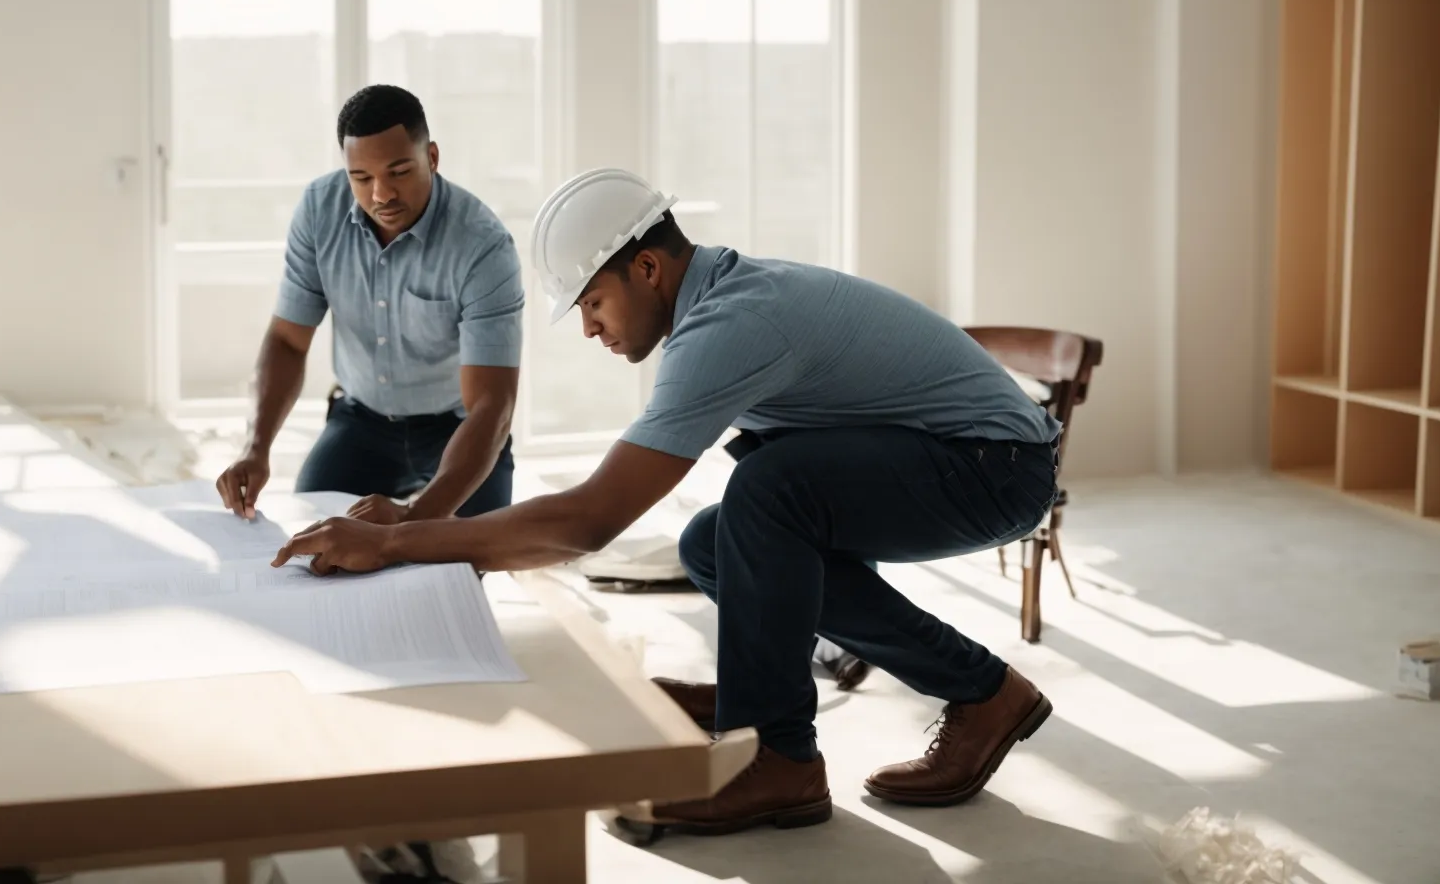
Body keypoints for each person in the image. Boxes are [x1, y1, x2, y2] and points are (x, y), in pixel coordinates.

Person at [272, 168, 1063, 835]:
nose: (589, 329)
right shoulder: (722, 301)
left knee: (768, 488)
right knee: (712, 543)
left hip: (997, 468)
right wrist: (415, 520)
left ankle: (780, 759)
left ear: (646, 268)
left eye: (591, 303)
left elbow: (588, 521)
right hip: (971, 457)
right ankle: (969, 694)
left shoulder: (731, 325)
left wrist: (394, 544)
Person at [216, 85, 523, 527]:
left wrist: (412, 519)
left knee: (469, 558)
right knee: (315, 543)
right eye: (361, 178)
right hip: (361, 424)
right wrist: (255, 448)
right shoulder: (319, 210)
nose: (381, 194)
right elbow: (287, 339)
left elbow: (492, 407)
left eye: (399, 172)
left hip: (460, 429)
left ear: (432, 157)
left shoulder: (483, 245)